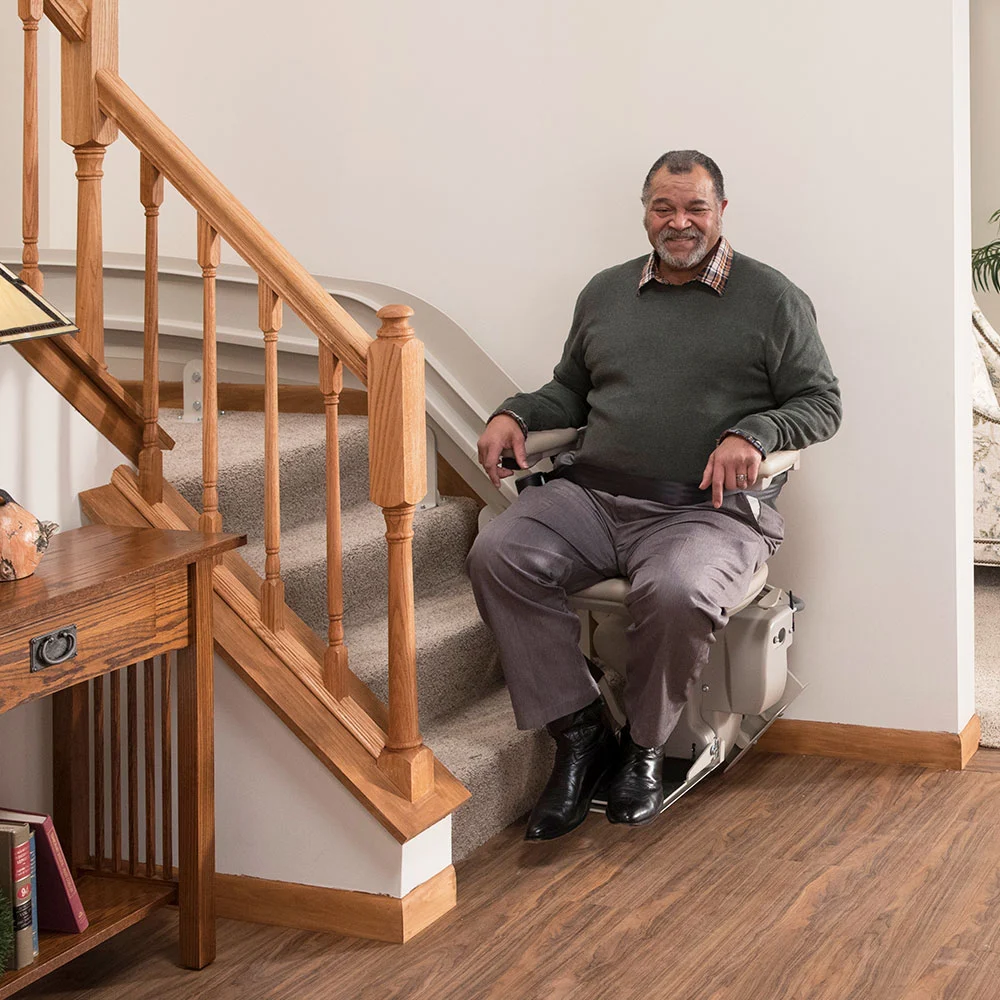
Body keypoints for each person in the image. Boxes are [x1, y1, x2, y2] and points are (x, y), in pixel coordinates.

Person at [466, 150, 842, 841]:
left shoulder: (772, 298)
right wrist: (515, 414)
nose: (679, 222)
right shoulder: (606, 293)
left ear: (721, 212)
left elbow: (821, 403)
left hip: (705, 511)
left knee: (676, 590)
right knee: (499, 551)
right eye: (663, 207)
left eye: (695, 207)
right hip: (594, 496)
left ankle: (642, 746)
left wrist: (755, 433)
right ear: (645, 213)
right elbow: (568, 392)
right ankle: (579, 735)